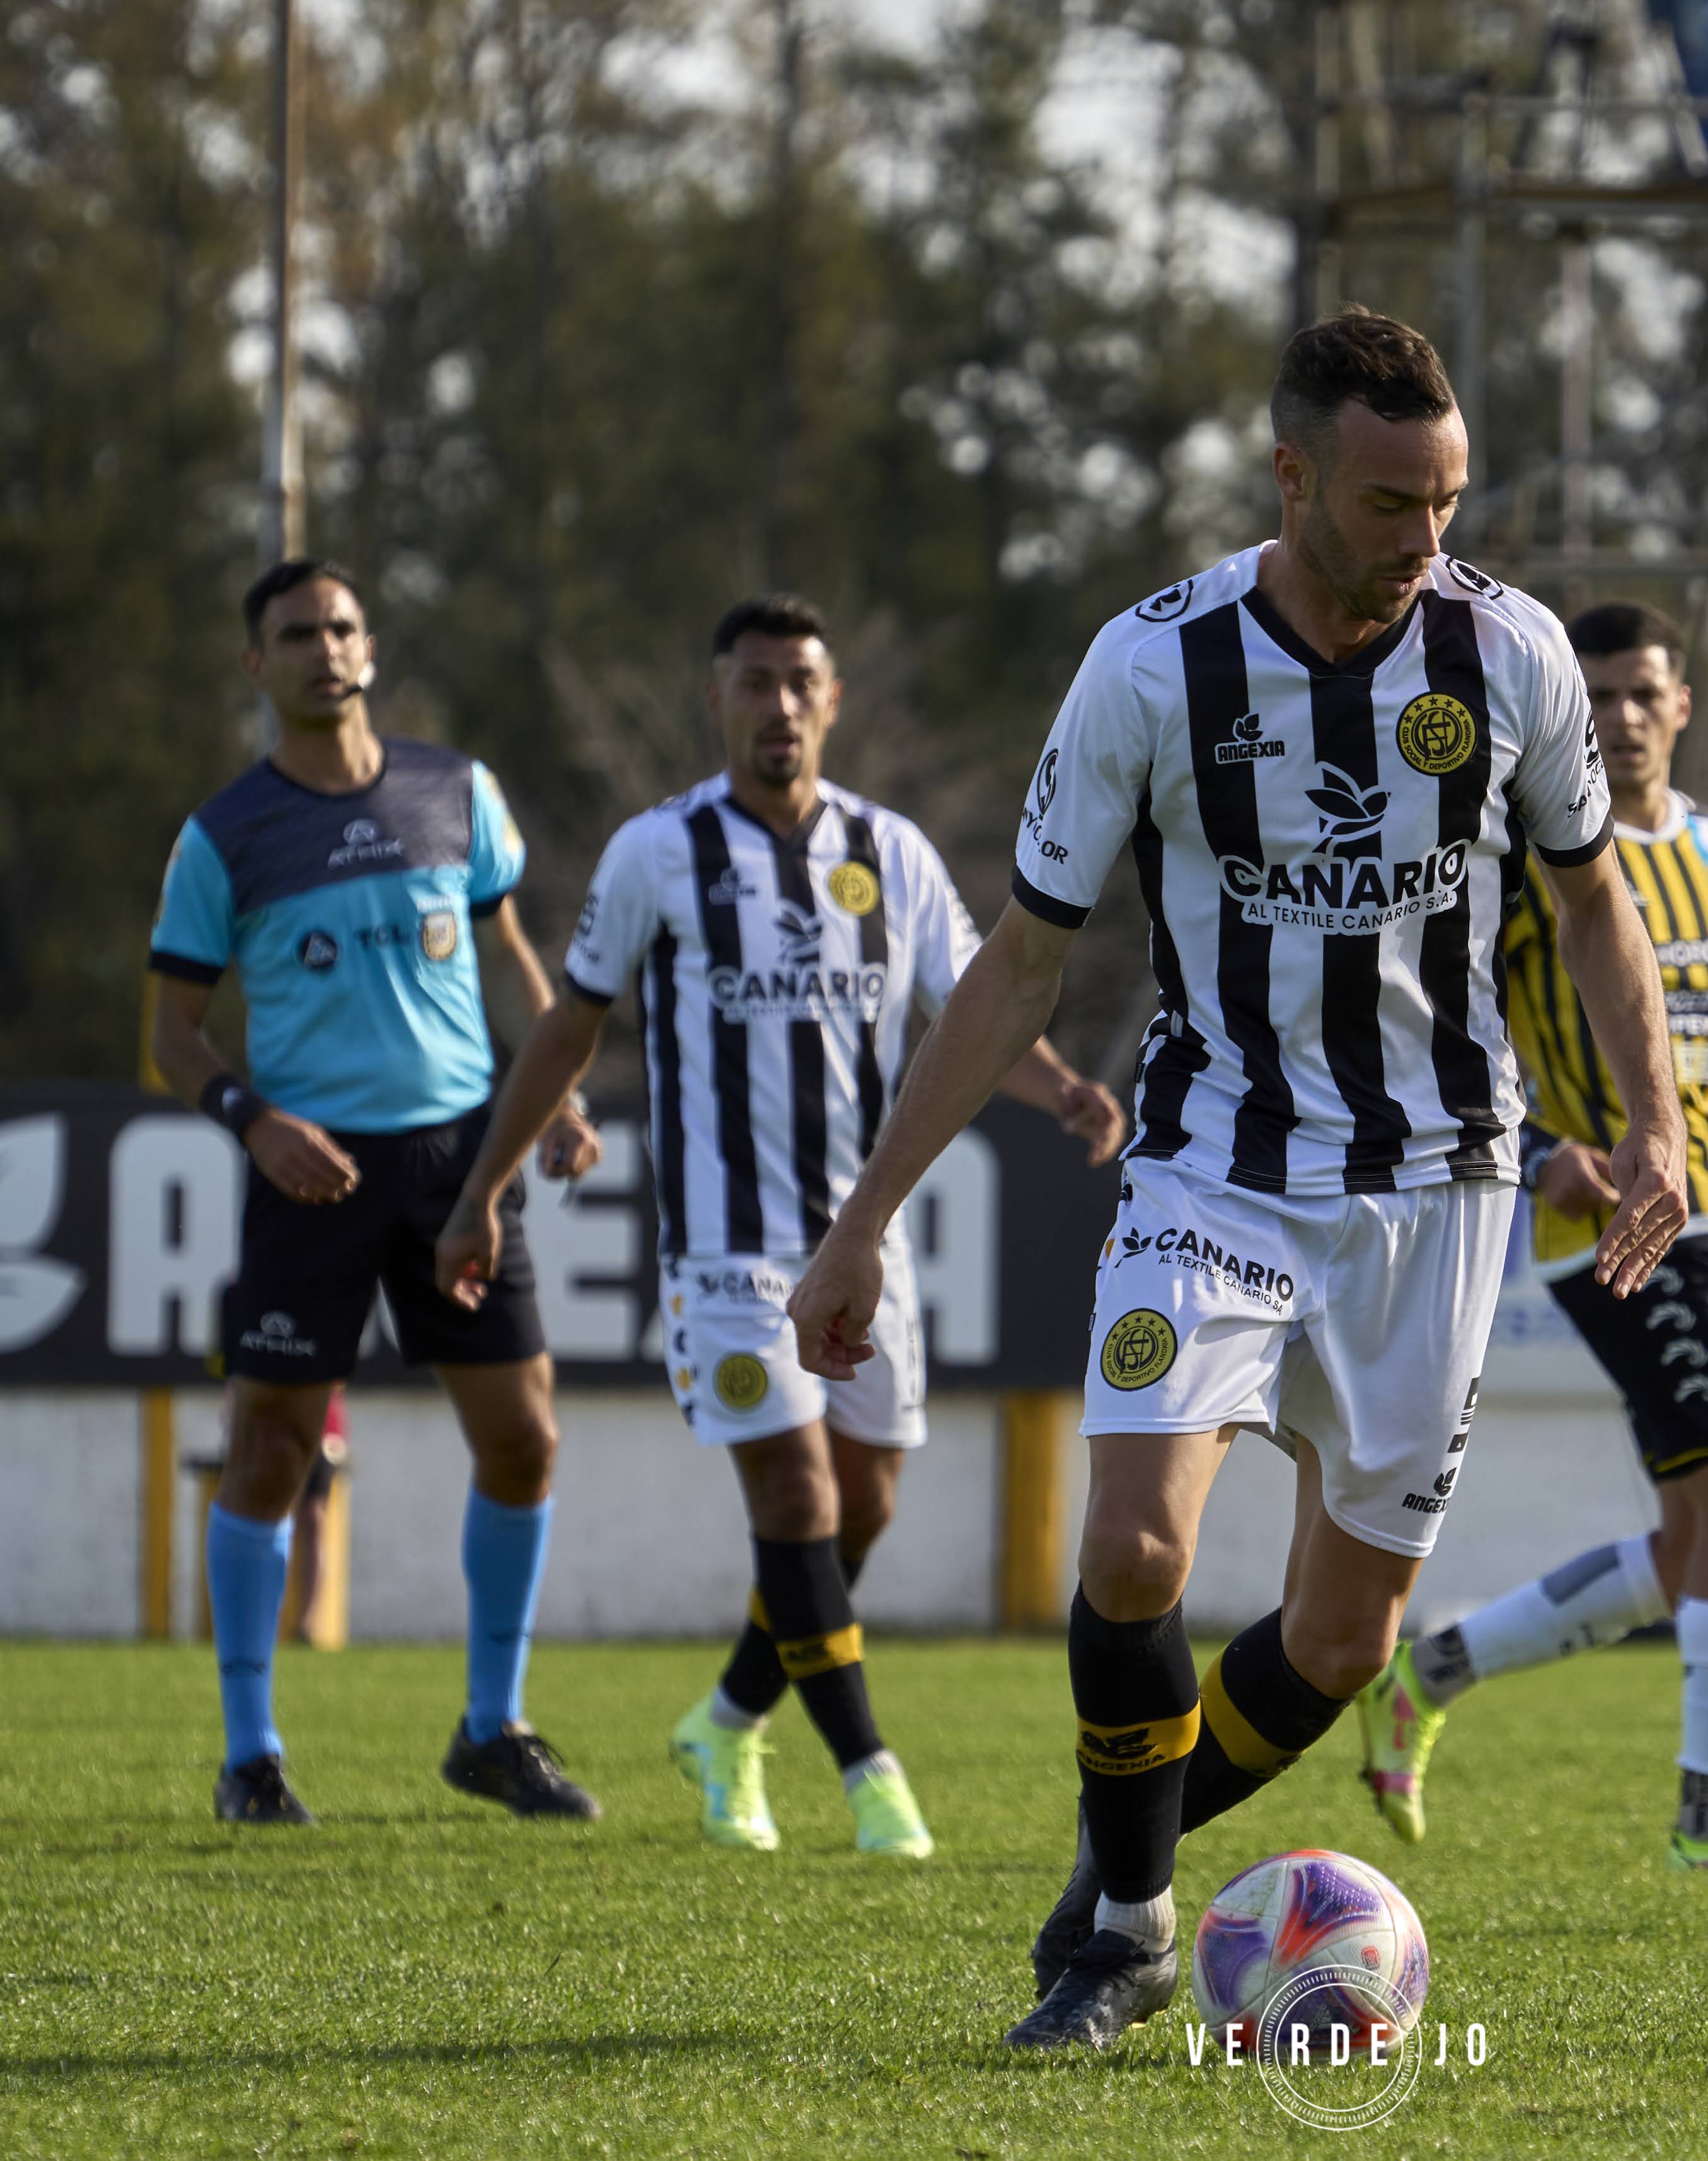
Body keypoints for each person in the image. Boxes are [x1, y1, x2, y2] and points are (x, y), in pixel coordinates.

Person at [783, 307, 1691, 2053]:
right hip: (1212, 1163)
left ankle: (1110, 1851)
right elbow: (1018, 966)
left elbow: (1589, 901)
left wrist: (1649, 1116)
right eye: (1383, 504)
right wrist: (861, 1219)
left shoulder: (1505, 654)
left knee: (1340, 1641)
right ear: (1289, 475)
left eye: (1445, 502)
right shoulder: (1149, 667)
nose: (1421, 542)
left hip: (1441, 1183)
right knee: (1131, 1548)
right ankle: (1124, 1928)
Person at [434, 593, 1126, 1862]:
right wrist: (486, 1185)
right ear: (720, 701)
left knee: (863, 1504)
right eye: (755, 683)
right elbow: (569, 1025)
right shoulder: (657, 853)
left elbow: (968, 1010)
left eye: (801, 682)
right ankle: (871, 1775)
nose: (780, 705)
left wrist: (1061, 1084)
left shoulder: (891, 853)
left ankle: (727, 1717)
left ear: (832, 700)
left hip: (858, 1240)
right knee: (797, 1491)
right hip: (722, 1250)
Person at [1354, 600, 1708, 1874]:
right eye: (1602, 696)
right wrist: (1529, 1155)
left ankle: (1431, 1670)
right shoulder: (1533, 858)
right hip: (1613, 1231)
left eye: (1645, 693)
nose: (1624, 718)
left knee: (1697, 1542)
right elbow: (1432, 1022)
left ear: (1681, 705)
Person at [147, 557, 604, 1828]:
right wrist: (255, 1121)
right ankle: (251, 1754)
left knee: (524, 1438)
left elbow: (515, 953)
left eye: (342, 625)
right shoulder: (224, 835)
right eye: (295, 633)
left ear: (370, 646)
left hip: (461, 1160)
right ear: (259, 666)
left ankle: (491, 1726)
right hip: (312, 1172)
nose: (323, 648)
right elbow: (172, 1034)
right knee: (272, 1452)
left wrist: (548, 1086)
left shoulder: (456, 791)